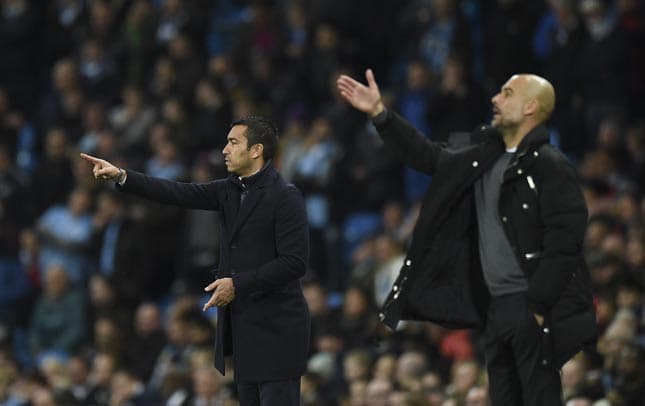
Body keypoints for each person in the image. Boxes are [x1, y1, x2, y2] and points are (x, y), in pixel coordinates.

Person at [337, 70, 596, 405]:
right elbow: (427, 156)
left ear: (531, 107)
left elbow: (566, 239)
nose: (495, 99)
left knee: (539, 398)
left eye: (507, 93)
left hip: (530, 303)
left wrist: (538, 303)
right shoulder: (481, 155)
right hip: (496, 306)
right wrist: (380, 115)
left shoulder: (550, 165)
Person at [80, 116, 310, 406]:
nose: (225, 149)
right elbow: (178, 192)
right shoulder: (229, 190)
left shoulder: (285, 197)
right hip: (244, 330)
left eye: (233, 142)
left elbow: (294, 262)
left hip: (278, 332)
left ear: (256, 150)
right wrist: (122, 176)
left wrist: (237, 284)